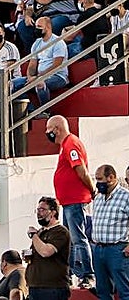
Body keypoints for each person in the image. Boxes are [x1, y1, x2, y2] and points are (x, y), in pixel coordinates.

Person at [47, 114, 96, 289]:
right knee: (70, 239)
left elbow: (81, 170)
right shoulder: (65, 145)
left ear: (57, 129)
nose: (47, 133)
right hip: (68, 201)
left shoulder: (71, 144)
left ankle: (87, 275)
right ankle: (71, 273)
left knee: (78, 238)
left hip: (75, 200)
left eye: (49, 129)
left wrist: (92, 190)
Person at [91, 164, 129, 300]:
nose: (98, 182)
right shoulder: (98, 198)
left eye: (100, 179)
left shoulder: (125, 196)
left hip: (117, 248)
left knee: (123, 289)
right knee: (102, 289)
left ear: (111, 177)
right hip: (99, 248)